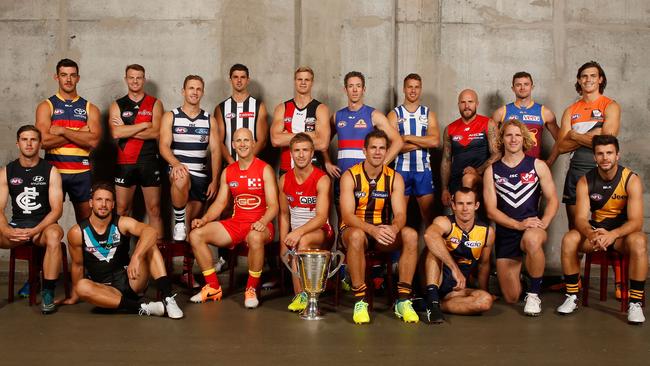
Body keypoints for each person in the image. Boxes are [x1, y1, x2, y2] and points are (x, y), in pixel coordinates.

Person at [556, 135, 646, 324]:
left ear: (617, 155)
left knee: (639, 241)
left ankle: (635, 303)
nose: (605, 158)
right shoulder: (585, 181)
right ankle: (572, 296)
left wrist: (613, 235)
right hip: (596, 234)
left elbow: (636, 222)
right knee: (569, 239)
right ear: (595, 157)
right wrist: (591, 234)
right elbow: (580, 218)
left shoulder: (631, 180)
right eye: (600, 154)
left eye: (609, 153)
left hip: (621, 236)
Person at [188, 128, 278, 309]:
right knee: (196, 235)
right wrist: (204, 219)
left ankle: (251, 289)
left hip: (262, 225)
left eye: (246, 140)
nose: (243, 144)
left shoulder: (264, 169)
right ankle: (213, 286)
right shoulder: (228, 172)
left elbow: (274, 205)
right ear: (233, 145)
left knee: (253, 236)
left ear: (253, 144)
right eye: (238, 141)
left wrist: (261, 222)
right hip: (237, 223)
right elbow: (220, 203)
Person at [67, 183, 183, 319]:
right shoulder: (77, 232)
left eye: (108, 200)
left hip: (131, 280)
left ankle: (167, 298)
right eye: (99, 200)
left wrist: (136, 257)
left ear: (113, 204)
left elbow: (150, 231)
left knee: (149, 243)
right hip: (106, 291)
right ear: (91, 203)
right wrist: (75, 296)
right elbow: (78, 265)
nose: (103, 204)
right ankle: (143, 308)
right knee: (81, 286)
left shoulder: (122, 223)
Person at [339, 129, 418, 324]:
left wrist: (394, 228)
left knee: (411, 235)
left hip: (382, 232)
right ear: (364, 150)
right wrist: (372, 229)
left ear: (386, 151)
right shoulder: (350, 176)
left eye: (382, 148)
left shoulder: (394, 178)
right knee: (357, 236)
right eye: (373, 148)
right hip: (354, 231)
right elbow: (347, 216)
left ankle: (403, 301)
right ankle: (360, 301)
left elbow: (400, 214)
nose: (377, 152)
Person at [483, 120, 558, 316]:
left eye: (517, 135)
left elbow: (552, 200)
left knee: (532, 240)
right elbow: (491, 211)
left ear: (524, 138)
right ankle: (527, 276)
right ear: (502, 140)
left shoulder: (537, 165)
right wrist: (517, 224)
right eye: (508, 135)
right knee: (511, 297)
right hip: (507, 232)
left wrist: (544, 224)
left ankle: (533, 294)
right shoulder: (492, 170)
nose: (513, 139)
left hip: (531, 228)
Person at [547, 61, 620, 230]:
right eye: (584, 76)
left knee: (604, 225)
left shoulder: (610, 106)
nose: (588, 79)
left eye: (593, 75)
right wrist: (595, 134)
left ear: (600, 79)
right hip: (576, 171)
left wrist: (575, 135)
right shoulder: (571, 110)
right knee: (575, 228)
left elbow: (607, 143)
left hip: (604, 171)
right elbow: (562, 146)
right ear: (579, 80)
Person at [0, 126, 65, 314]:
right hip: (16, 227)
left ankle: (47, 293)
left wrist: (36, 230)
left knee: (54, 235)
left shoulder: (51, 171)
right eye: (24, 139)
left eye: (33, 139)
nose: (28, 143)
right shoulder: (7, 171)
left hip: (43, 228)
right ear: (17, 143)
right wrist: (5, 230)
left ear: (40, 143)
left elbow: (57, 210)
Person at [35, 58, 101, 223]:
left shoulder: (90, 108)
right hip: (53, 171)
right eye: (64, 75)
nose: (68, 79)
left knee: (86, 225)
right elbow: (43, 142)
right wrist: (79, 134)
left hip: (81, 173)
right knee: (49, 223)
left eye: (72, 75)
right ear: (56, 77)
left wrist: (63, 131)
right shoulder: (46, 106)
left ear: (78, 78)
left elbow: (93, 141)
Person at [159, 75, 221, 244]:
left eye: (198, 89)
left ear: (202, 93)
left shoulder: (209, 120)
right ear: (183, 91)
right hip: (179, 169)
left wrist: (215, 180)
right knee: (181, 176)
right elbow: (163, 146)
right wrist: (176, 163)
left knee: (193, 228)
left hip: (200, 176)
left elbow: (216, 152)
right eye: (191, 88)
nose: (195, 92)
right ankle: (178, 221)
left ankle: (187, 269)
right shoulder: (171, 116)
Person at [422, 187, 494, 323]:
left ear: (476, 206)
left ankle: (432, 305)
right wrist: (455, 269)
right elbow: (429, 235)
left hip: (455, 289)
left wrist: (484, 290)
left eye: (469, 204)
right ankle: (432, 298)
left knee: (485, 301)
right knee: (433, 248)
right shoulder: (444, 222)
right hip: (432, 278)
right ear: (453, 206)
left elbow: (484, 264)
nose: (465, 208)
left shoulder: (486, 232)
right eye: (460, 204)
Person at [278, 133, 333, 312]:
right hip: (297, 234)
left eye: (305, 150)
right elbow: (284, 215)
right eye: (297, 151)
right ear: (291, 154)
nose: (301, 155)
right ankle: (300, 295)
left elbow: (321, 217)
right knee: (296, 245)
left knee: (302, 242)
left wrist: (298, 232)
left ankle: (303, 295)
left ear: (312, 153)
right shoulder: (284, 179)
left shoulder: (322, 179)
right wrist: (282, 243)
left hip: (321, 231)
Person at [109, 64, 164, 238]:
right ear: (126, 79)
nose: (135, 81)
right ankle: (121, 258)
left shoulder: (155, 103)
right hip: (125, 163)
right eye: (131, 77)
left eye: (138, 77)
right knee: (122, 209)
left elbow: (156, 132)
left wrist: (128, 129)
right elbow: (116, 132)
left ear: (144, 79)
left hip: (149, 161)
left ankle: (157, 258)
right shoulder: (117, 105)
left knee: (154, 210)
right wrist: (143, 125)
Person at [324, 71, 403, 181]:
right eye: (351, 86)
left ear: (363, 89)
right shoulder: (337, 116)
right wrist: (327, 162)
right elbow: (323, 142)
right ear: (345, 90)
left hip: (366, 178)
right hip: (342, 177)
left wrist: (381, 165)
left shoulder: (374, 115)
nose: (355, 90)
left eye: (358, 86)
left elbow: (398, 141)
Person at [387, 73, 440, 226]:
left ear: (420, 90)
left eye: (416, 87)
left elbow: (435, 141)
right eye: (410, 87)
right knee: (398, 218)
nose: (413, 90)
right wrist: (423, 142)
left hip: (423, 170)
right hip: (400, 171)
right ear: (404, 89)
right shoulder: (394, 114)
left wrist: (406, 137)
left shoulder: (428, 114)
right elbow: (392, 147)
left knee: (429, 219)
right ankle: (398, 251)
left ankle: (432, 250)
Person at [440, 89, 500, 207]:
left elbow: (497, 154)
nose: (467, 106)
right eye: (463, 102)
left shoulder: (488, 123)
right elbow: (446, 161)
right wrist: (444, 189)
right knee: (460, 220)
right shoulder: (450, 129)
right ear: (458, 105)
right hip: (456, 181)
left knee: (468, 178)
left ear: (477, 104)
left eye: (470, 102)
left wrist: (478, 171)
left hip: (480, 179)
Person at [271, 66, 331, 175]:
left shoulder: (321, 109)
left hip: (313, 170)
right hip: (287, 170)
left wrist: (287, 136)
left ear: (312, 82)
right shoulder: (282, 108)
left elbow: (322, 144)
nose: (303, 82)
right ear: (295, 81)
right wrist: (311, 135)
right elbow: (275, 140)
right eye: (300, 79)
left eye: (307, 80)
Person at [492, 71, 559, 159]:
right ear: (513, 88)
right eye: (518, 85)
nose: (522, 88)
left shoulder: (545, 112)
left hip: (534, 167)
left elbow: (561, 140)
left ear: (532, 87)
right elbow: (493, 144)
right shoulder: (501, 112)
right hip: (508, 166)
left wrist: (549, 162)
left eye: (526, 84)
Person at [215, 64, 268, 164]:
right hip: (229, 164)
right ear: (230, 80)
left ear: (248, 80)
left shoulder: (259, 106)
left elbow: (262, 140)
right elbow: (219, 141)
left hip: (252, 164)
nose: (239, 80)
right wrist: (232, 163)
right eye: (235, 77)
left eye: (242, 77)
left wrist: (246, 161)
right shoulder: (221, 108)